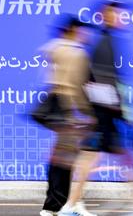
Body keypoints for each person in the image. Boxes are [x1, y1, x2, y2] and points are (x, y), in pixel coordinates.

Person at [61, 0, 133, 216]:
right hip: (104, 114)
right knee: (92, 156)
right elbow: (102, 79)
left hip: (105, 112)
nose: (121, 17)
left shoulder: (108, 40)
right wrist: (118, 110)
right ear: (106, 16)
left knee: (120, 155)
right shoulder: (104, 42)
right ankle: (70, 206)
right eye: (116, 14)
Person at [39, 15, 94, 216]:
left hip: (58, 111)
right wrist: (88, 113)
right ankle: (65, 205)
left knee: (62, 159)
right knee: (72, 160)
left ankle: (60, 204)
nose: (86, 34)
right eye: (82, 30)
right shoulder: (77, 54)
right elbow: (79, 86)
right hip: (72, 112)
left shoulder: (53, 49)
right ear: (73, 30)